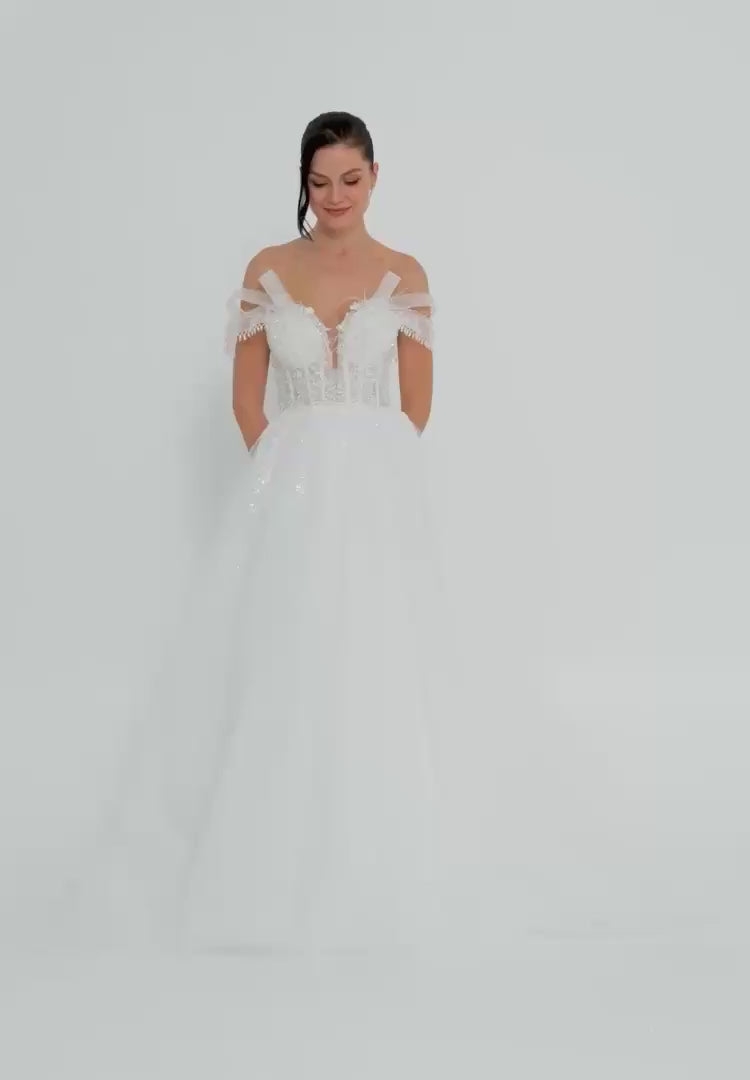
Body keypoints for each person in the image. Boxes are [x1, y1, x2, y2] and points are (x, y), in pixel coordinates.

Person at [60, 111, 461, 955]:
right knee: (287, 655)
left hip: (374, 501)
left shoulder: (406, 272)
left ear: (376, 178)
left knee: (374, 660)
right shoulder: (268, 269)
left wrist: (366, 480)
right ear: (303, 183)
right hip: (289, 497)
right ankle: (268, 861)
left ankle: (381, 861)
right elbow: (248, 400)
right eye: (319, 182)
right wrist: (290, 478)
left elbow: (416, 406)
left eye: (351, 179)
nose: (335, 197)